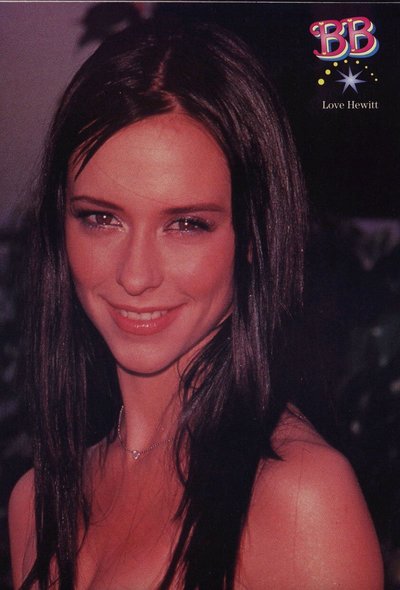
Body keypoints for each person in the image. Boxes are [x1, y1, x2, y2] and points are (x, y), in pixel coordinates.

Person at [8, 19, 383, 590]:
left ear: (254, 236)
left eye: (186, 224)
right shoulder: (35, 502)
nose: (135, 275)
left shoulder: (301, 500)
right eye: (101, 218)